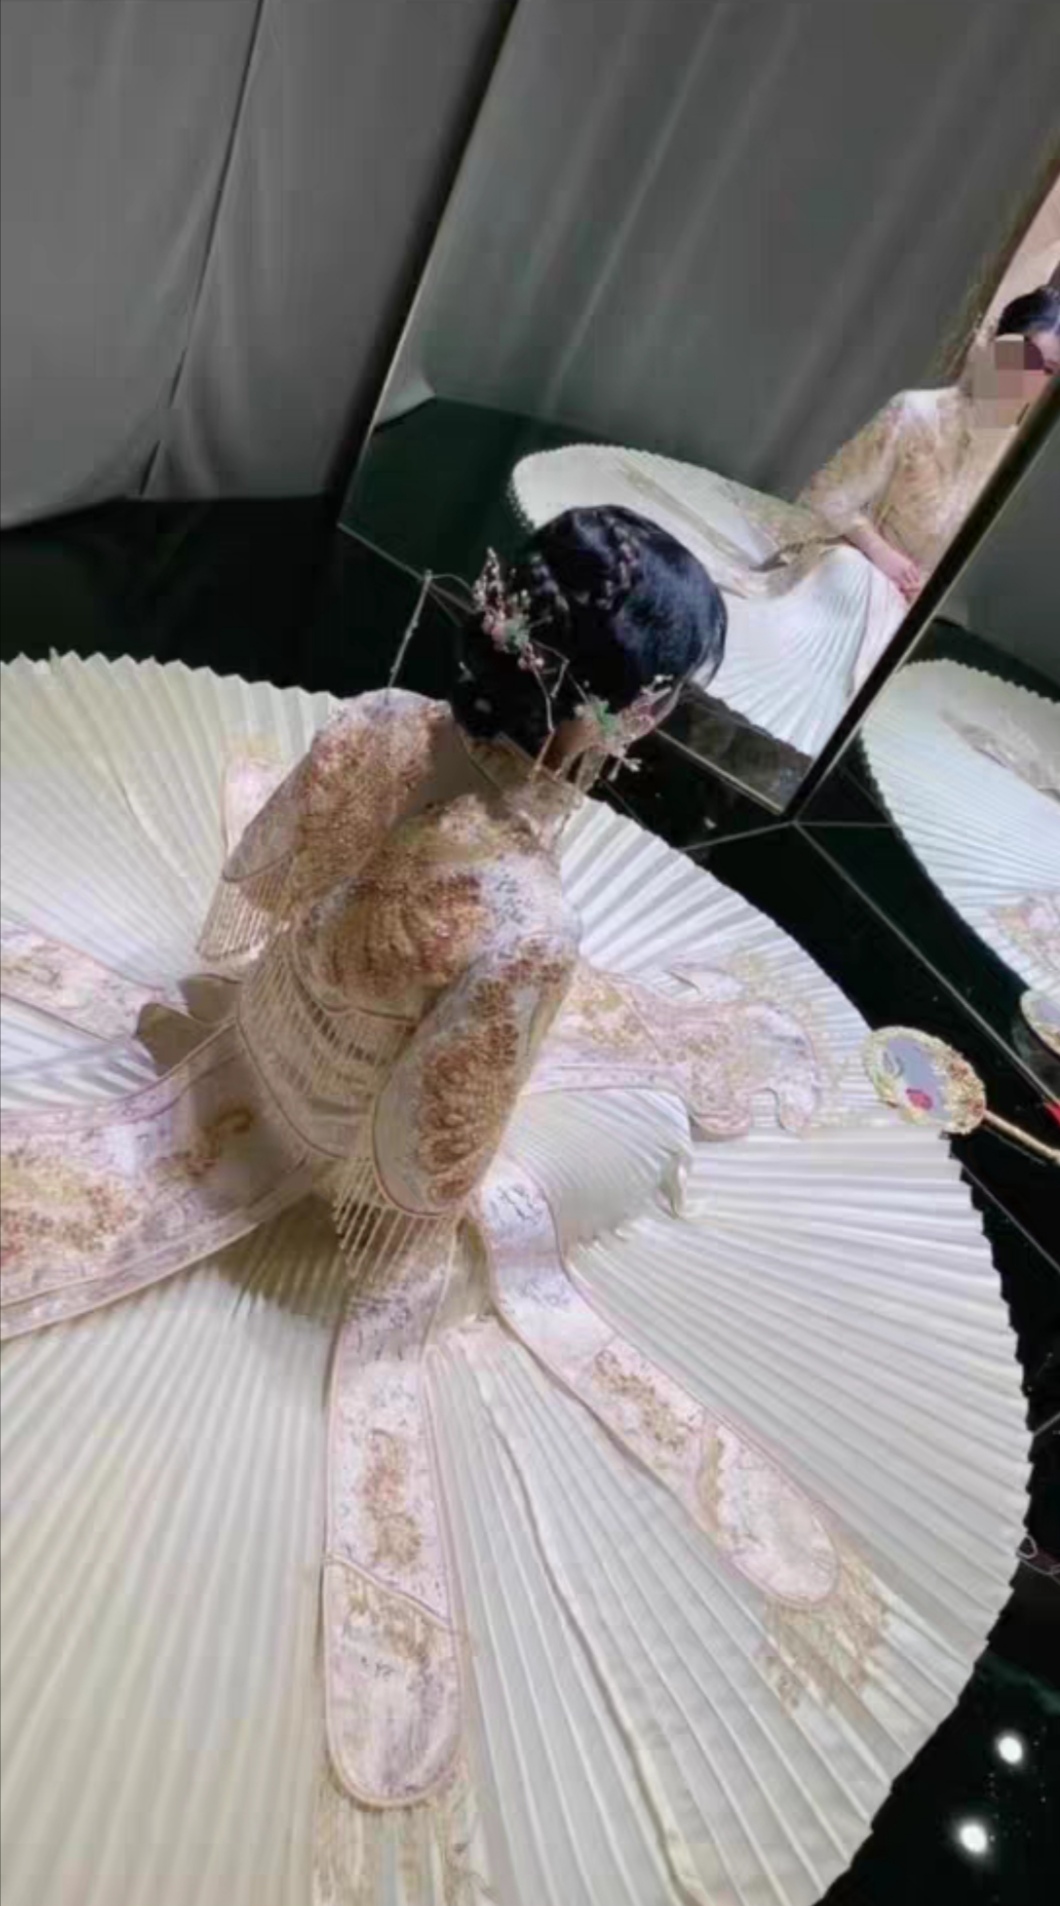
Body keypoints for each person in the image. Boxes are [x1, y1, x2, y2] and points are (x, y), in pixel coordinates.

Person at [0, 506, 1025, 1906]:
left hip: (262, 1030)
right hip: (337, 1140)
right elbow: (428, 1161)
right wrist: (410, 1232)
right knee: (639, 1132)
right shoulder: (529, 919)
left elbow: (271, 879)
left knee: (594, 1052)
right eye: (662, 704)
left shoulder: (377, 721)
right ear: (628, 713)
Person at [677, 282, 1059, 754]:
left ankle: (793, 747)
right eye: (1025, 356)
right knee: (848, 578)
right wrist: (881, 554)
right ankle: (740, 721)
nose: (1031, 377)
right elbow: (827, 495)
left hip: (918, 607)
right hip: (853, 566)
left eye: (1049, 370)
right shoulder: (916, 412)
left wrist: (936, 588)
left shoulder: (1019, 464)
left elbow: (984, 572)